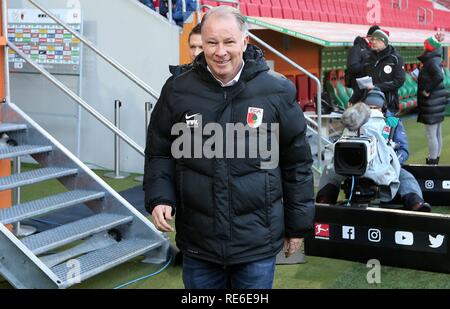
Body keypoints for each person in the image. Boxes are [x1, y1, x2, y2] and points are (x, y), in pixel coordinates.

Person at [144, 6, 314, 289]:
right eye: (211, 42)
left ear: (244, 42)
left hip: (256, 244)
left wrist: (297, 225)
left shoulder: (277, 90)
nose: (220, 51)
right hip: (199, 242)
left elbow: (296, 162)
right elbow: (161, 151)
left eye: (228, 42)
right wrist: (160, 196)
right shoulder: (177, 89)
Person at [316, 88, 401, 204]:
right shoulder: (356, 122)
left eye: (376, 108)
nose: (373, 110)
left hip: (361, 165)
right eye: (370, 107)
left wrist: (394, 158)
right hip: (358, 165)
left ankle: (414, 201)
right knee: (329, 172)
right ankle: (324, 200)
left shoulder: (393, 122)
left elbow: (403, 149)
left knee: (404, 176)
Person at [417, 34, 447, 165]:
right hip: (437, 101)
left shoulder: (431, 61)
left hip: (432, 102)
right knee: (437, 133)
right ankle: (436, 159)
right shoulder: (435, 59)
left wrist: (426, 90)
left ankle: (432, 162)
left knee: (431, 134)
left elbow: (438, 77)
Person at [361, 29, 406, 114]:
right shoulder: (367, 58)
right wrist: (355, 98)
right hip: (369, 103)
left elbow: (399, 81)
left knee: (387, 127)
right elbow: (364, 79)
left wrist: (377, 87)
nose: (373, 42)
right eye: (372, 40)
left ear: (384, 42)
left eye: (376, 40)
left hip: (388, 104)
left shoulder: (395, 58)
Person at [347, 25, 380, 104]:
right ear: (369, 37)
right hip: (358, 89)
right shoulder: (356, 48)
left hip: (371, 87)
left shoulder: (374, 49)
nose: (376, 42)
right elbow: (352, 67)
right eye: (375, 39)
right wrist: (368, 65)